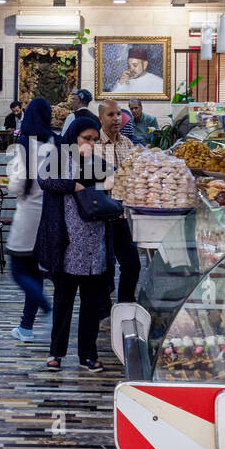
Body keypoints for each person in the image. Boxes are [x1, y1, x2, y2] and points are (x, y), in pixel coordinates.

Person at [35, 115, 113, 372]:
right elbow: (44, 180)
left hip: (94, 245)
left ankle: (87, 354)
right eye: (85, 138)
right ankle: (56, 352)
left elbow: (112, 180)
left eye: (94, 139)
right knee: (63, 301)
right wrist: (74, 185)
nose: (90, 143)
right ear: (73, 137)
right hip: (67, 244)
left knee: (90, 304)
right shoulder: (59, 158)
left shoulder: (97, 163)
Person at [4, 98, 55, 342]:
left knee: (17, 270)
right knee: (35, 273)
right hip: (48, 217)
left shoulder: (24, 144)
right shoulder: (55, 143)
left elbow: (16, 184)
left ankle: (45, 306)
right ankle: (26, 327)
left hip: (27, 217)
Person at [97, 100, 141, 303]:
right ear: (101, 118)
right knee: (103, 268)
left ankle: (125, 304)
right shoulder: (93, 145)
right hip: (100, 217)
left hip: (122, 215)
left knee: (132, 263)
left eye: (118, 114)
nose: (116, 118)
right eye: (110, 115)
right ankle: (102, 309)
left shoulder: (128, 144)